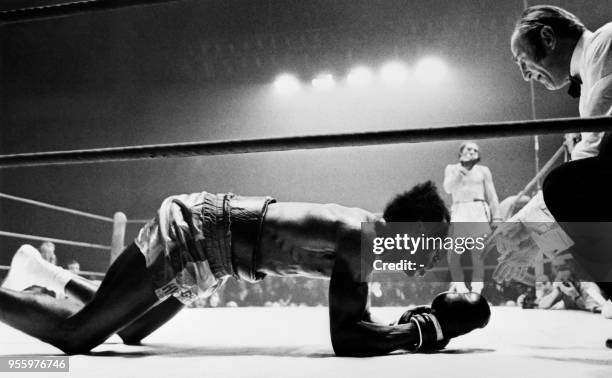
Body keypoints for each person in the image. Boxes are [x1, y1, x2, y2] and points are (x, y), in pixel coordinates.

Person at [0, 182, 490, 356]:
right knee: (75, 337)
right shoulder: (360, 240)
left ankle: (43, 271)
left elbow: (359, 324)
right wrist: (425, 329)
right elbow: (349, 338)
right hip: (197, 231)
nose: (422, 265)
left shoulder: (365, 238)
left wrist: (417, 328)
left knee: (129, 331)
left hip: (214, 261)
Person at [506, 4, 612, 347]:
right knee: (562, 189)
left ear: (548, 37)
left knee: (565, 186)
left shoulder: (605, 42)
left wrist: (527, 223)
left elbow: (593, 147)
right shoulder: (592, 68)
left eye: (523, 61)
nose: (524, 76)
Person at [443, 141, 501, 294]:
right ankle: (460, 288)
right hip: (460, 210)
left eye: (475, 150)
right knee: (453, 254)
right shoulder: (452, 168)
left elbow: (492, 195)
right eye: (469, 149)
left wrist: (497, 217)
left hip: (478, 210)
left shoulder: (483, 171)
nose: (472, 152)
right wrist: (461, 171)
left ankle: (477, 290)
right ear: (461, 152)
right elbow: (448, 188)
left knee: (478, 254)